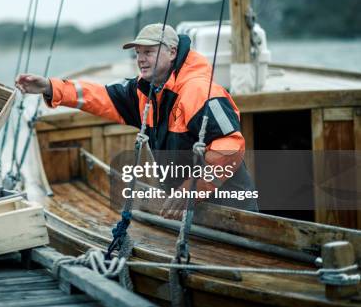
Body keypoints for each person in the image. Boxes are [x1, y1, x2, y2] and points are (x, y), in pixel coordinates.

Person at [15, 23, 258, 219]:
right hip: (187, 212)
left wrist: (190, 189)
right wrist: (49, 87)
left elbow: (231, 146)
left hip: (232, 213)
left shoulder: (199, 91)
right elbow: (100, 96)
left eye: (149, 52)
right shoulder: (145, 93)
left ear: (172, 52)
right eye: (138, 53)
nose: (140, 59)